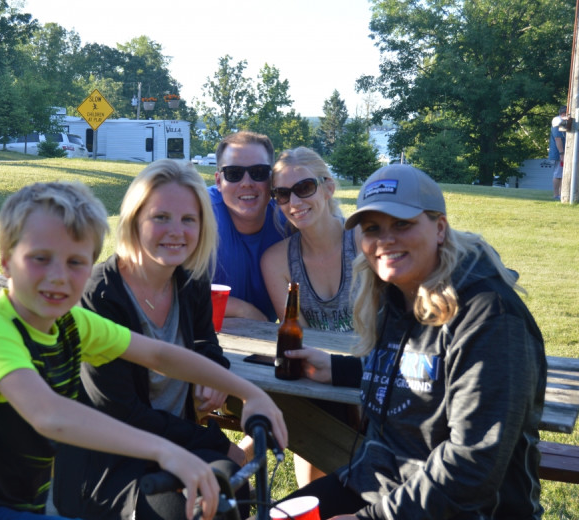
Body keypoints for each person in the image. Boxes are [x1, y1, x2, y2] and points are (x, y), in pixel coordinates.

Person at [0, 181, 288, 520]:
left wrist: (249, 392)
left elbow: (159, 355)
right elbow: (50, 415)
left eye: (76, 262)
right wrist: (166, 450)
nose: (59, 276)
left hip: (22, 504)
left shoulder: (70, 323)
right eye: (40, 258)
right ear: (5, 259)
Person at [278, 164, 546, 519]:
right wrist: (339, 368)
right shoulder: (396, 296)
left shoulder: (490, 317)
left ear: (439, 228)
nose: (386, 239)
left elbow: (472, 466)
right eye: (372, 228)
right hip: (376, 485)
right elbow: (419, 372)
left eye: (402, 224)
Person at [53, 160, 248, 519]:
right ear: (135, 220)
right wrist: (216, 441)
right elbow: (122, 412)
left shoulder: (189, 281)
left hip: (175, 446)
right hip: (110, 464)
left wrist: (214, 376)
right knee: (189, 509)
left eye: (188, 219)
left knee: (231, 487)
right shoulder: (99, 296)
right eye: (161, 217)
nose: (176, 231)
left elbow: (206, 342)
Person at [260, 147, 358, 487]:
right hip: (317, 383)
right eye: (283, 194)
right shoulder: (277, 261)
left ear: (328, 187)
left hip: (373, 375)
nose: (294, 203)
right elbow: (297, 337)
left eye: (304, 188)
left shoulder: (364, 241)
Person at [208, 131, 286, 322]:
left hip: (266, 342)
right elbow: (169, 291)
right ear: (219, 181)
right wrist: (244, 310)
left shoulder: (290, 218)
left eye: (258, 172)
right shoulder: (198, 214)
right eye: (234, 174)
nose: (247, 183)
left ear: (272, 179)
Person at [549, 105, 567, 200]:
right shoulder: (557, 122)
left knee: (562, 174)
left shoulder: (563, 123)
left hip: (562, 153)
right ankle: (556, 195)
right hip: (559, 154)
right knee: (558, 174)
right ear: (563, 114)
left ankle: (561, 194)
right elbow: (558, 139)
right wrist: (561, 153)